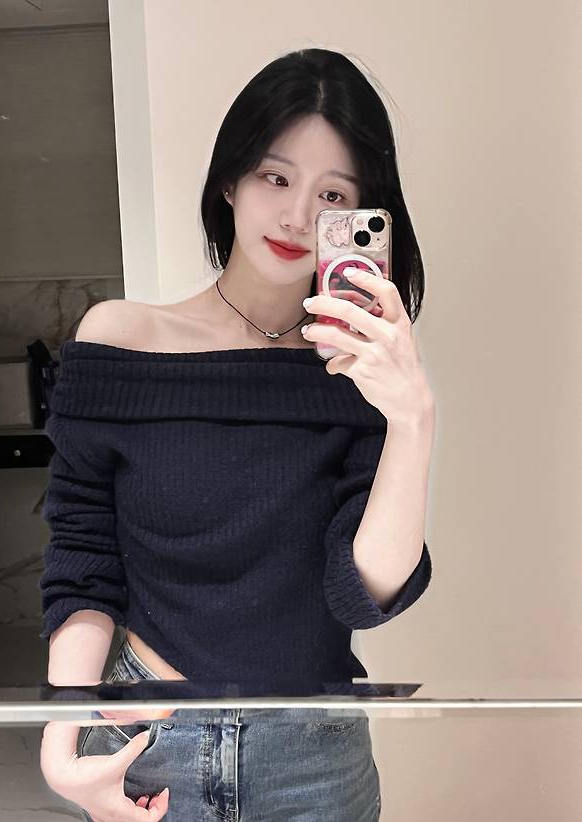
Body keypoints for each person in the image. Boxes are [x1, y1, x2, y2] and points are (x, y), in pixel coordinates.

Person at [38, 47, 435, 822]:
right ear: (230, 180)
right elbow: (83, 560)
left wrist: (412, 418)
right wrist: (60, 738)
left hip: (313, 759)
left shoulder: (358, 372)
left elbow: (365, 594)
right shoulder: (121, 341)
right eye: (275, 178)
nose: (296, 217)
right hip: (145, 742)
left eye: (332, 194)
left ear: (362, 216)